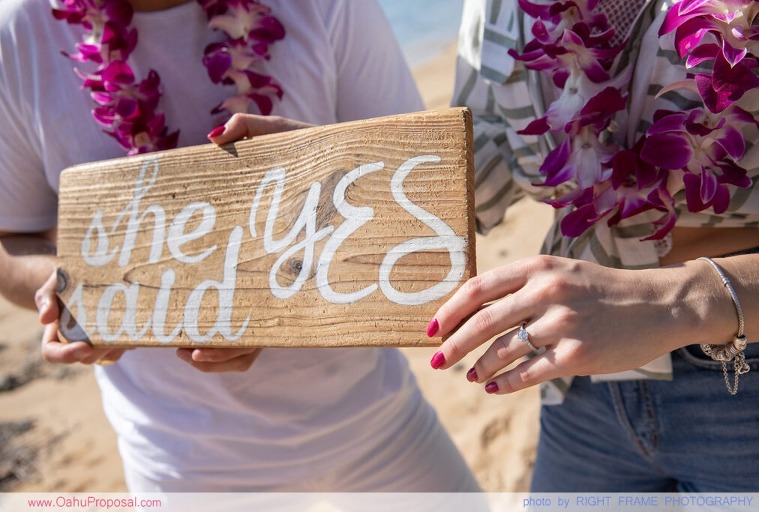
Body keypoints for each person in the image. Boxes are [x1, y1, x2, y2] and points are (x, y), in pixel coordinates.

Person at [0, 0, 481, 493]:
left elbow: (423, 192)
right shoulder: (20, 34)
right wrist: (74, 287)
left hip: (375, 417)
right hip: (181, 460)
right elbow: (10, 237)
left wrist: (325, 164)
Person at [427, 0, 759, 491]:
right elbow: (480, 167)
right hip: (579, 385)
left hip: (747, 371)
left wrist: (680, 301)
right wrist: (327, 170)